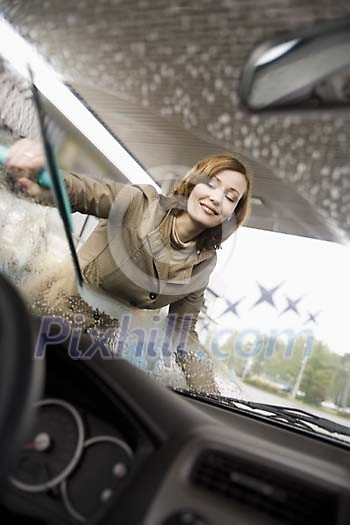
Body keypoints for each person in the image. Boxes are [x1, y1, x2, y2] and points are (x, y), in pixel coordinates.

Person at [5, 138, 253, 393]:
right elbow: (80, 192)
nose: (216, 198)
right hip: (46, 312)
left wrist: (212, 397)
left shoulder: (204, 264)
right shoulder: (139, 203)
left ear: (232, 214)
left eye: (230, 197)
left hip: (95, 346)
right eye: (211, 184)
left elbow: (182, 333)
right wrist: (38, 180)